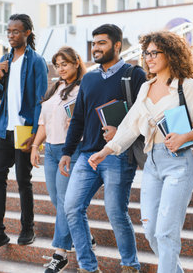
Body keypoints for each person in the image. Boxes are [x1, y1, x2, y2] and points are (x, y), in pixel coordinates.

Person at [88, 31, 193, 272]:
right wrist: (105, 151)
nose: (148, 58)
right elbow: (130, 125)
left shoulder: (187, 86)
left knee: (167, 232)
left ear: (171, 53)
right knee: (150, 230)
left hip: (179, 163)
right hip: (152, 162)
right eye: (146, 53)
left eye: (154, 52)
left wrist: (186, 136)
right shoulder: (146, 87)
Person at [58, 24, 146, 273]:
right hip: (87, 155)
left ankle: (130, 265)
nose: (95, 48)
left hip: (118, 155)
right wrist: (67, 151)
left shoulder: (134, 75)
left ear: (117, 46)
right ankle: (88, 267)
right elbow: (79, 119)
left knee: (116, 212)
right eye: (93, 43)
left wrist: (121, 131)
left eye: (102, 43)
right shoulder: (89, 78)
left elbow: (144, 115)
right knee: (72, 207)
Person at [0, 13, 48, 255]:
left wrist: (36, 135)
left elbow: (41, 99)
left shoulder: (37, 62)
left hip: (24, 130)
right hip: (3, 129)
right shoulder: (4, 59)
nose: (11, 35)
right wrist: (0, 76)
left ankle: (27, 228)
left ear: (27, 33)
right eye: (9, 31)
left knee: (23, 181)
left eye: (16, 31)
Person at [30, 46, 88, 272]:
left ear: (76, 63)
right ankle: (85, 236)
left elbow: (90, 119)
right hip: (51, 151)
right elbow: (43, 123)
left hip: (69, 150)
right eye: (58, 65)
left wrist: (77, 126)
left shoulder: (83, 88)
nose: (61, 69)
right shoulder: (55, 88)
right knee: (57, 199)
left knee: (64, 201)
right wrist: (36, 146)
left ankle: (60, 253)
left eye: (65, 64)